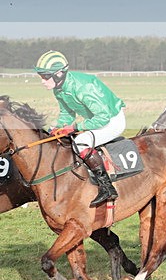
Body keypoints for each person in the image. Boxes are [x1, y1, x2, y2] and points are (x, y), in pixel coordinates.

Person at [34, 50, 125, 207]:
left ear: (59, 74)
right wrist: (57, 127)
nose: (42, 81)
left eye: (45, 76)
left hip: (112, 120)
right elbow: (67, 113)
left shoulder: (83, 87)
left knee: (81, 141)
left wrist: (76, 127)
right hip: (97, 119)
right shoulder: (59, 89)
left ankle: (107, 187)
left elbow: (103, 117)